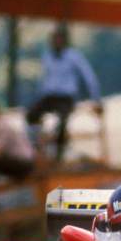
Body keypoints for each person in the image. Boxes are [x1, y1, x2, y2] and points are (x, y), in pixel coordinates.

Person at [25, 25, 102, 162]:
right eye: (54, 39)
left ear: (65, 41)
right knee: (31, 115)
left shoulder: (74, 56)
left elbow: (88, 77)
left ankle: (58, 154)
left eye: (59, 39)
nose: (56, 42)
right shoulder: (47, 56)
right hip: (49, 96)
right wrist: (38, 97)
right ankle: (37, 149)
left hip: (66, 97)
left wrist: (96, 99)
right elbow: (43, 79)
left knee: (62, 119)